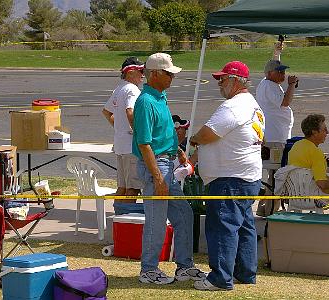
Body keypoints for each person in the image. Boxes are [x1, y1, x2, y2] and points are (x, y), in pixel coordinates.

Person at [190, 61, 265, 291]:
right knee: (243, 225)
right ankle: (245, 272)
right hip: (245, 176)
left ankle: (220, 278)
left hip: (230, 178)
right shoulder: (251, 105)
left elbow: (208, 133)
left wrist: (192, 140)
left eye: (222, 79)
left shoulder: (233, 106)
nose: (219, 84)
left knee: (222, 225)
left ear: (235, 81)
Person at [132, 53, 205, 285]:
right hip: (156, 167)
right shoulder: (145, 102)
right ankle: (149, 270)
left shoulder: (160, 97)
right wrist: (158, 178)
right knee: (156, 220)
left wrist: (179, 151)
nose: (172, 76)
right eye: (168, 73)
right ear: (154, 74)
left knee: (183, 214)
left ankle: (184, 266)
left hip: (166, 163)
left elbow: (164, 131)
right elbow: (144, 143)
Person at [255, 43, 299, 216]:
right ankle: (270, 209)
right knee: (277, 173)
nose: (283, 74)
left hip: (277, 135)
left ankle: (266, 208)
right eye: (279, 72)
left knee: (274, 174)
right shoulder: (268, 86)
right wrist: (291, 85)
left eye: (283, 71)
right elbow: (285, 102)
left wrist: (277, 52)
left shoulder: (270, 83)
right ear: (269, 74)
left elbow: (273, 64)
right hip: (275, 137)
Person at [102, 57, 145, 214]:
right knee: (133, 188)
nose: (143, 75)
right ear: (131, 72)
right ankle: (125, 220)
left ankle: (118, 219)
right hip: (130, 147)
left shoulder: (119, 88)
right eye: (141, 71)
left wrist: (119, 128)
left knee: (122, 187)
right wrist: (139, 132)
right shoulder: (132, 89)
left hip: (120, 145)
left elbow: (106, 112)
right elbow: (130, 111)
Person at [287, 114, 329, 211]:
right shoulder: (315, 152)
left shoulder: (296, 146)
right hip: (313, 198)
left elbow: (312, 175)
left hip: (296, 196)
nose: (327, 132)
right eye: (324, 130)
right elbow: (322, 184)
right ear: (314, 132)